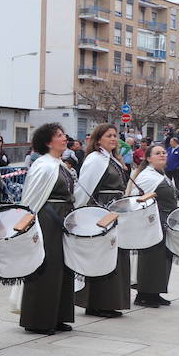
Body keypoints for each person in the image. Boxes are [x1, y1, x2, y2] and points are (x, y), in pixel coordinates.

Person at [18, 123, 77, 335]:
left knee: (63, 267)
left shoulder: (60, 164)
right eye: (59, 135)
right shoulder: (43, 165)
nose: (64, 138)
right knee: (47, 266)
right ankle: (39, 319)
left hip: (63, 217)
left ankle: (58, 316)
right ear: (48, 142)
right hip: (48, 219)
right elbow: (33, 197)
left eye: (64, 134)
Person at [73, 123, 130, 318]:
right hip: (103, 211)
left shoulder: (113, 159)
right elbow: (85, 188)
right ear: (98, 140)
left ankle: (109, 301)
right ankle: (96, 303)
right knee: (103, 255)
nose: (113, 139)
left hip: (115, 211)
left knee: (115, 255)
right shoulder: (96, 159)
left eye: (115, 135)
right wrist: (80, 214)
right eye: (108, 136)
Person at [132, 143, 176, 308]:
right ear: (149, 158)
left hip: (165, 220)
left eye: (164, 152)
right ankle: (143, 294)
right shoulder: (147, 175)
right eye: (158, 153)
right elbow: (136, 198)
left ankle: (155, 292)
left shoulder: (161, 174)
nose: (162, 155)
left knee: (162, 258)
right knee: (151, 258)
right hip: (152, 221)